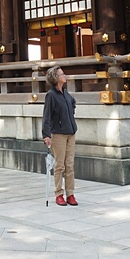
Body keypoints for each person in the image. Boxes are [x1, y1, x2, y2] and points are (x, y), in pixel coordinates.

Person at [41, 65, 77, 206]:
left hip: (71, 133)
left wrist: (70, 117)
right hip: (59, 134)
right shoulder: (51, 95)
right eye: (62, 74)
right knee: (59, 166)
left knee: (70, 165)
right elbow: (47, 116)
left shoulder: (66, 93)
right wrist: (46, 134)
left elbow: (72, 103)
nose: (65, 76)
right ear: (56, 78)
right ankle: (59, 193)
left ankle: (71, 194)